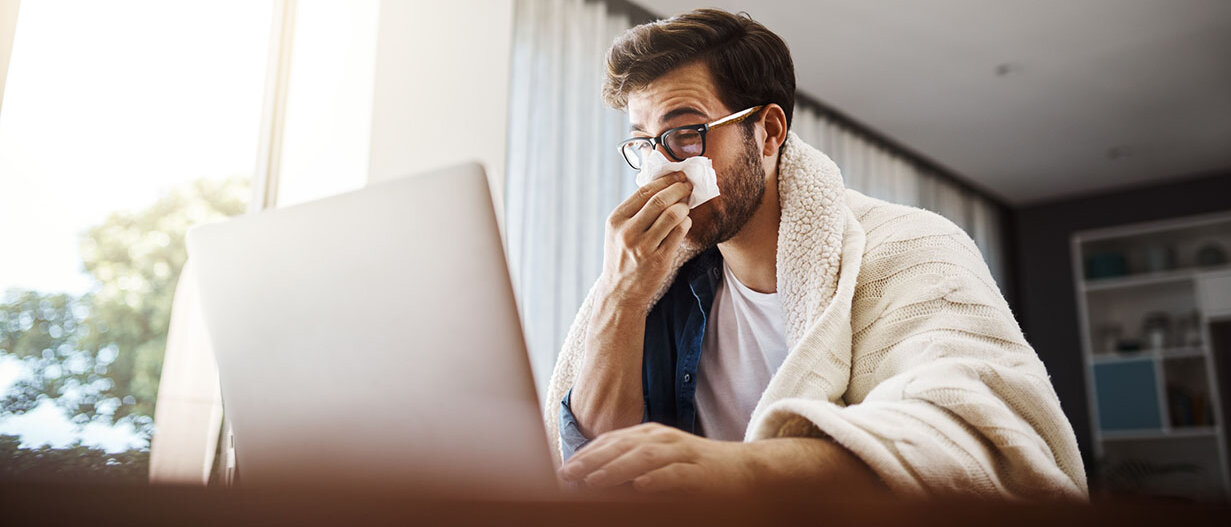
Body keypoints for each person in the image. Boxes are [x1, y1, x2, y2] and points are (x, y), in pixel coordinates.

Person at [545, 8, 1086, 500]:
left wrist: (745, 470)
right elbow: (593, 463)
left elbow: (973, 428)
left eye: (686, 133)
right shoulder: (659, 284)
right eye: (645, 143)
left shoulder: (912, 248)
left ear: (769, 132)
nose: (661, 169)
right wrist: (622, 297)